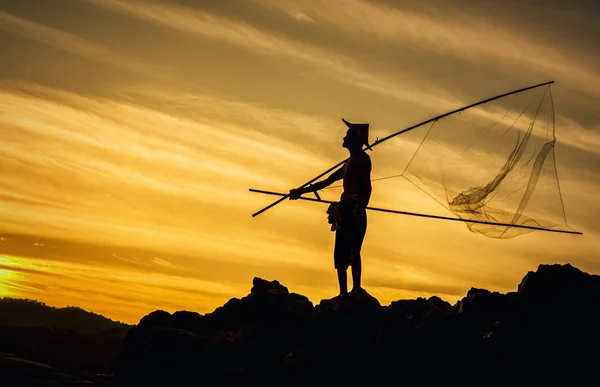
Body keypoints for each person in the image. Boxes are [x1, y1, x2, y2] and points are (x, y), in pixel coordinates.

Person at [289, 118, 372, 295]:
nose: (344, 137)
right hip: (345, 209)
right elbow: (327, 181)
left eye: (347, 135)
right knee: (341, 254)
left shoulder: (363, 159)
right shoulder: (347, 163)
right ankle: (343, 293)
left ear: (355, 139)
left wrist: (360, 209)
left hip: (355, 208)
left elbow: (367, 187)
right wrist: (301, 191)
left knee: (354, 251)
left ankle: (356, 289)